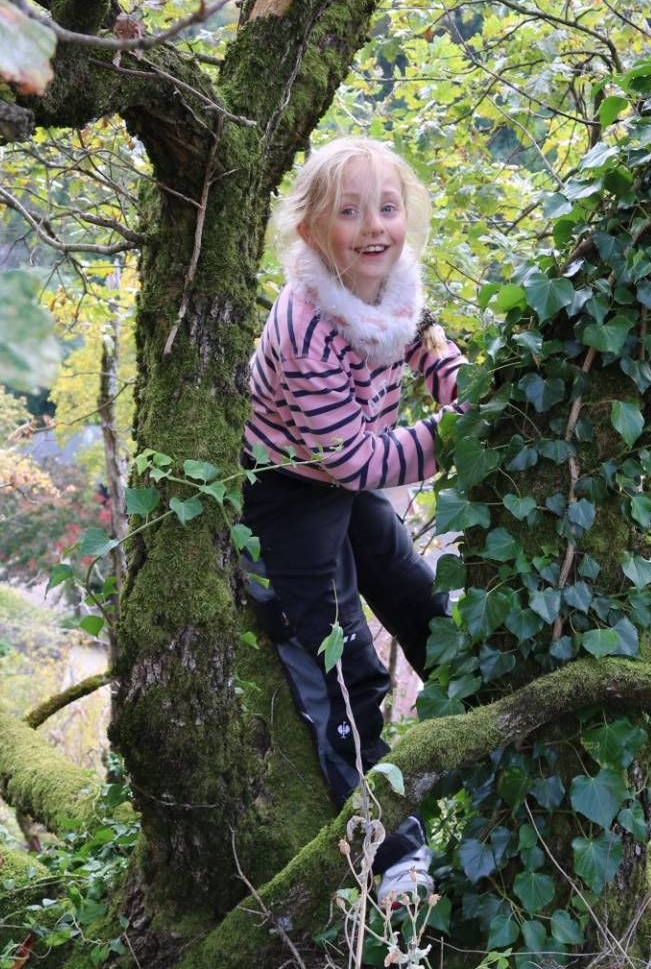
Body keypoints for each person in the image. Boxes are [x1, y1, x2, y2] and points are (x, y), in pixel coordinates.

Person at [239, 136, 463, 907]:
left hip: (343, 473)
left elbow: (431, 351)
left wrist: (470, 398)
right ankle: (392, 853)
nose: (375, 227)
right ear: (311, 232)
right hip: (288, 491)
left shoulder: (393, 286)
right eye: (350, 212)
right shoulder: (305, 323)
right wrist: (454, 437)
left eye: (389, 208)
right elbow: (354, 463)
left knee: (410, 591)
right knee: (343, 666)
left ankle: (488, 724)